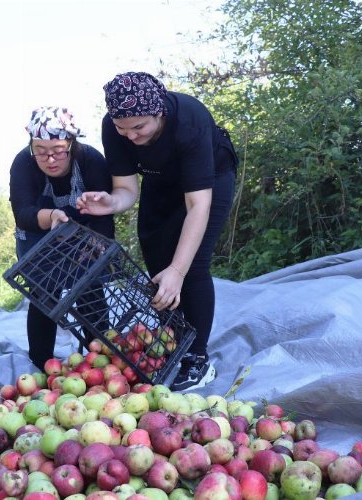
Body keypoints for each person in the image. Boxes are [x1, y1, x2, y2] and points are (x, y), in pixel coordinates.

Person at [76, 71, 239, 391]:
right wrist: (110, 202)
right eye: (123, 129)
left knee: (190, 265)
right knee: (154, 250)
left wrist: (178, 270)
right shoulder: (115, 128)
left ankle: (198, 359)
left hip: (210, 181)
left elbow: (197, 206)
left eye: (139, 127)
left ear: (159, 112)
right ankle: (173, 340)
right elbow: (126, 189)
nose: (131, 137)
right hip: (161, 180)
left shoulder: (189, 122)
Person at [10, 106, 115, 372]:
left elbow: (103, 214)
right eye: (41, 151)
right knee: (44, 290)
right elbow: (22, 213)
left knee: (89, 284)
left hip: (83, 227)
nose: (50, 159)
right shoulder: (23, 163)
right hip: (37, 228)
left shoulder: (91, 160)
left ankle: (100, 355)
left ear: (71, 143)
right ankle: (42, 361)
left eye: (58, 150)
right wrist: (51, 216)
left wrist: (98, 245)